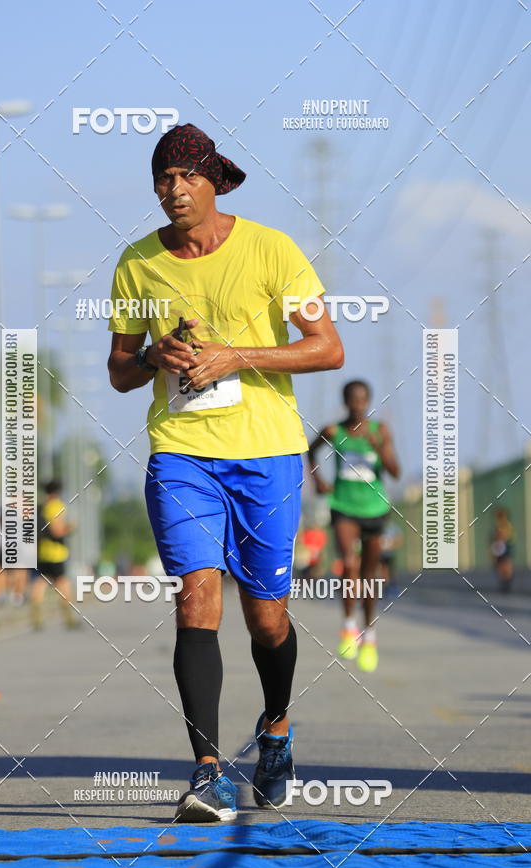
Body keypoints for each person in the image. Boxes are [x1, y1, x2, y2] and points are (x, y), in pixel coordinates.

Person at [107, 123, 343, 823]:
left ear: (214, 183)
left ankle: (275, 729)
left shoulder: (272, 249)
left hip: (266, 452)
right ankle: (208, 770)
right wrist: (154, 358)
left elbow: (327, 348)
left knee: (266, 618)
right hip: (180, 453)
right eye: (162, 179)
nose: (172, 191)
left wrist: (236, 355)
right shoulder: (137, 265)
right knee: (195, 599)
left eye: (185, 178)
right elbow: (120, 371)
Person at [308, 380, 400, 673]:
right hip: (343, 506)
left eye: (363, 400)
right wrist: (318, 480)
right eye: (352, 400)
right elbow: (309, 453)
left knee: (370, 574)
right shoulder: (333, 431)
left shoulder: (379, 431)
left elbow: (395, 472)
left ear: (368, 401)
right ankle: (349, 626)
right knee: (348, 563)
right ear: (345, 401)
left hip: (375, 508)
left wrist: (380, 449)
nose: (358, 405)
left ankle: (369, 633)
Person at [30, 480, 77, 630]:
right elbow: (57, 530)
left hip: (43, 551)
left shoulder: (43, 507)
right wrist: (70, 527)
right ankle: (69, 618)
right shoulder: (57, 506)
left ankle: (36, 617)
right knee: (64, 584)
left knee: (41, 583)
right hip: (56, 553)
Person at [489, 507, 515, 593]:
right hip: (499, 548)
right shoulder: (496, 527)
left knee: (506, 565)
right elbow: (494, 538)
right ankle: (504, 582)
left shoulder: (507, 526)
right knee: (499, 566)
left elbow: (507, 536)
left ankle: (507, 581)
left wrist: (501, 537)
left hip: (506, 547)